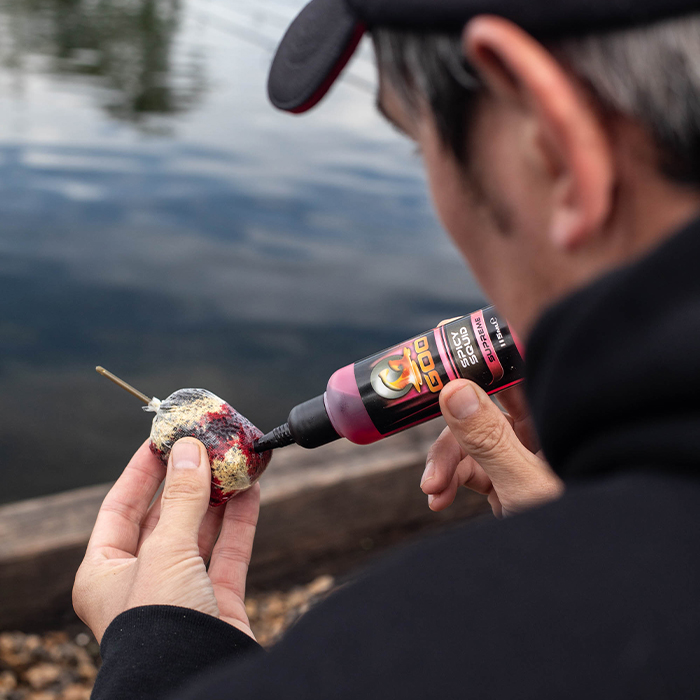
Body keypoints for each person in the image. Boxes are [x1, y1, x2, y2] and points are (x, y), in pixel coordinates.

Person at [74, 0, 700, 697]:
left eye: (417, 143)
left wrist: (161, 650)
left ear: (551, 144)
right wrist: (596, 502)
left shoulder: (420, 657)